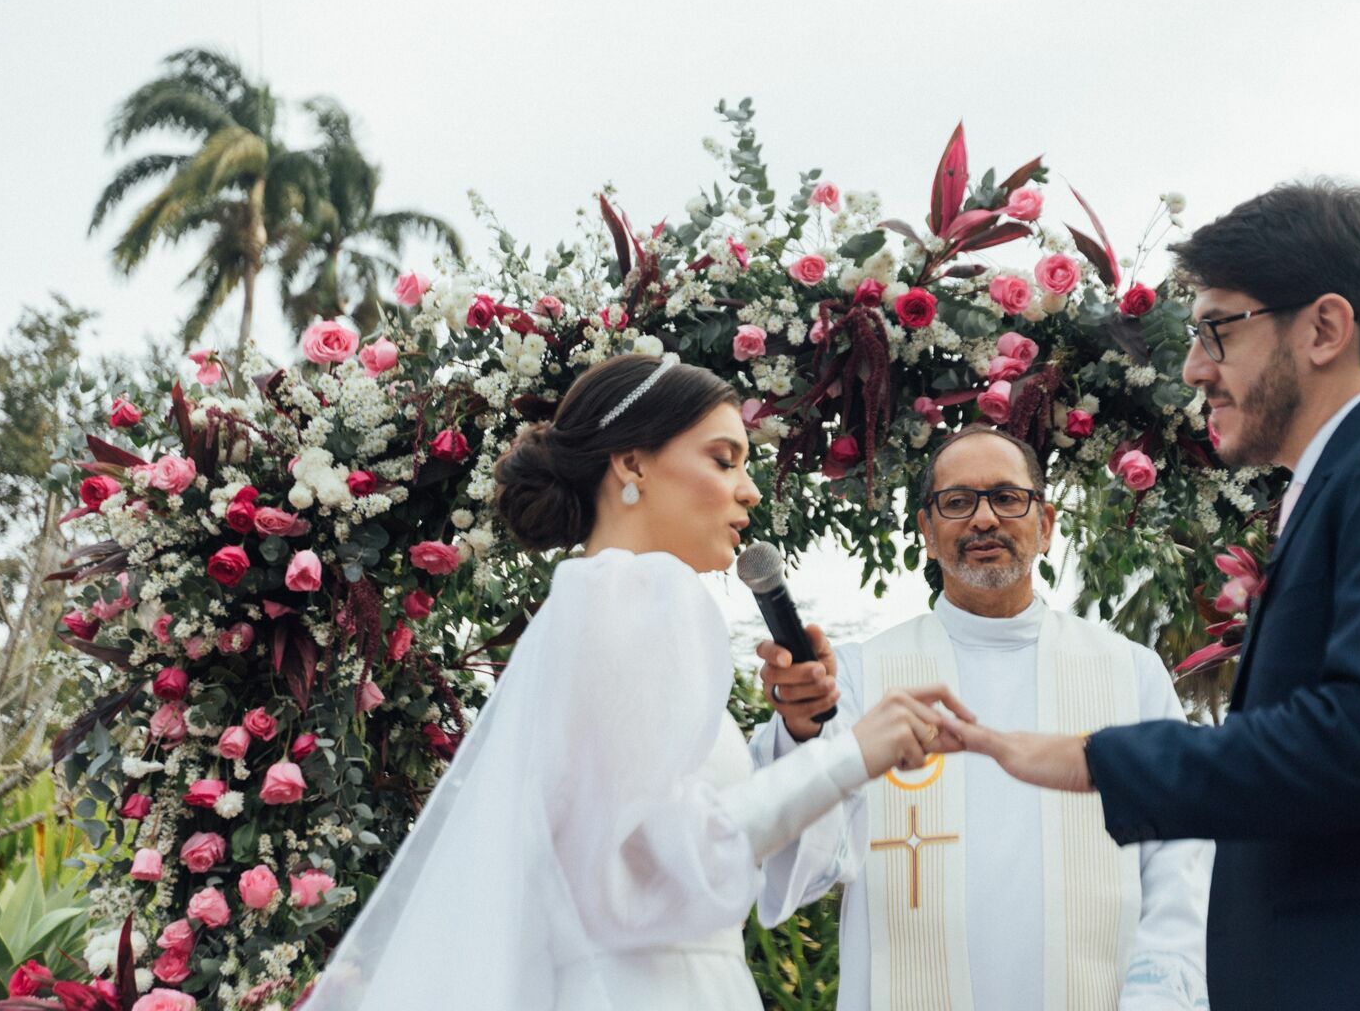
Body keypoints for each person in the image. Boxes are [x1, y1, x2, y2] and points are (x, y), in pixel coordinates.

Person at [948, 182, 1360, 1009]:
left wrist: (1092, 757)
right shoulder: (1341, 487)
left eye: (1217, 331)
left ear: (1324, 327)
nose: (1193, 368)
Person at [305, 352, 972, 1011]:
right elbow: (653, 859)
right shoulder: (651, 594)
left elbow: (687, 846)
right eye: (723, 459)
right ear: (631, 463)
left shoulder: (585, 604)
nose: (750, 490)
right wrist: (851, 753)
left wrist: (804, 736)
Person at [754, 425, 1210, 1010]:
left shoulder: (1131, 673)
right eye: (958, 502)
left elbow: (1180, 860)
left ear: (1044, 525)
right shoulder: (861, 675)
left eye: (1006, 497)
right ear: (927, 531)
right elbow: (801, 856)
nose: (984, 519)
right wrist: (802, 729)